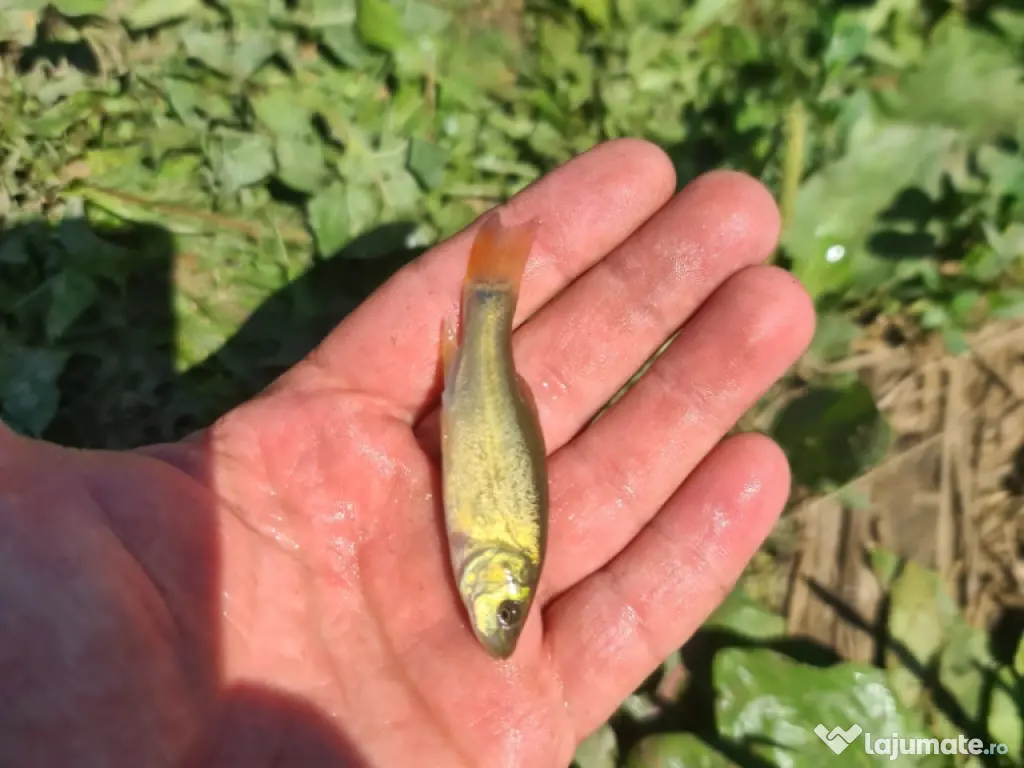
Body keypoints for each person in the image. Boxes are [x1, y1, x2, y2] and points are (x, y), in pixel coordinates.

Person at [0, 139, 815, 767]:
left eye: (505, 612)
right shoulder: (495, 552)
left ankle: (491, 294)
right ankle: (491, 295)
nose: (494, 619)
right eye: (506, 610)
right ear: (504, 577)